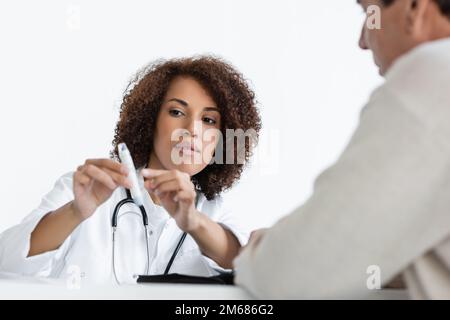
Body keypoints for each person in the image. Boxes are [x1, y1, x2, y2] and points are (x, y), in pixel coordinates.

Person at [234, 0, 450, 299]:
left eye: (368, 13)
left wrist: (263, 250)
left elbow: (290, 274)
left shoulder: (433, 73)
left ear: (413, 8)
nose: (362, 40)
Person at [0, 56, 261, 284]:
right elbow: (8, 264)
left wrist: (193, 221)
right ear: (151, 121)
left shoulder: (214, 212)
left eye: (208, 120)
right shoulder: (85, 187)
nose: (192, 129)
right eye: (177, 111)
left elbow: (244, 265)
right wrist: (75, 211)